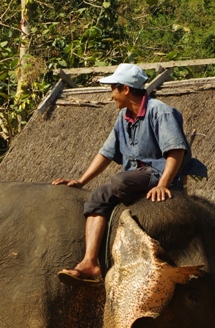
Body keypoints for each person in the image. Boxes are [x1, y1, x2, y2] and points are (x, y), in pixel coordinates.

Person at [51, 63, 206, 285]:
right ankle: (89, 261)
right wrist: (81, 180)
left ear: (125, 89)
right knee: (98, 196)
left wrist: (163, 184)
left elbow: (176, 151)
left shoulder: (160, 111)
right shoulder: (123, 117)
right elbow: (106, 152)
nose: (111, 95)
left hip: (157, 174)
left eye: (113, 88)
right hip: (134, 176)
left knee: (120, 180)